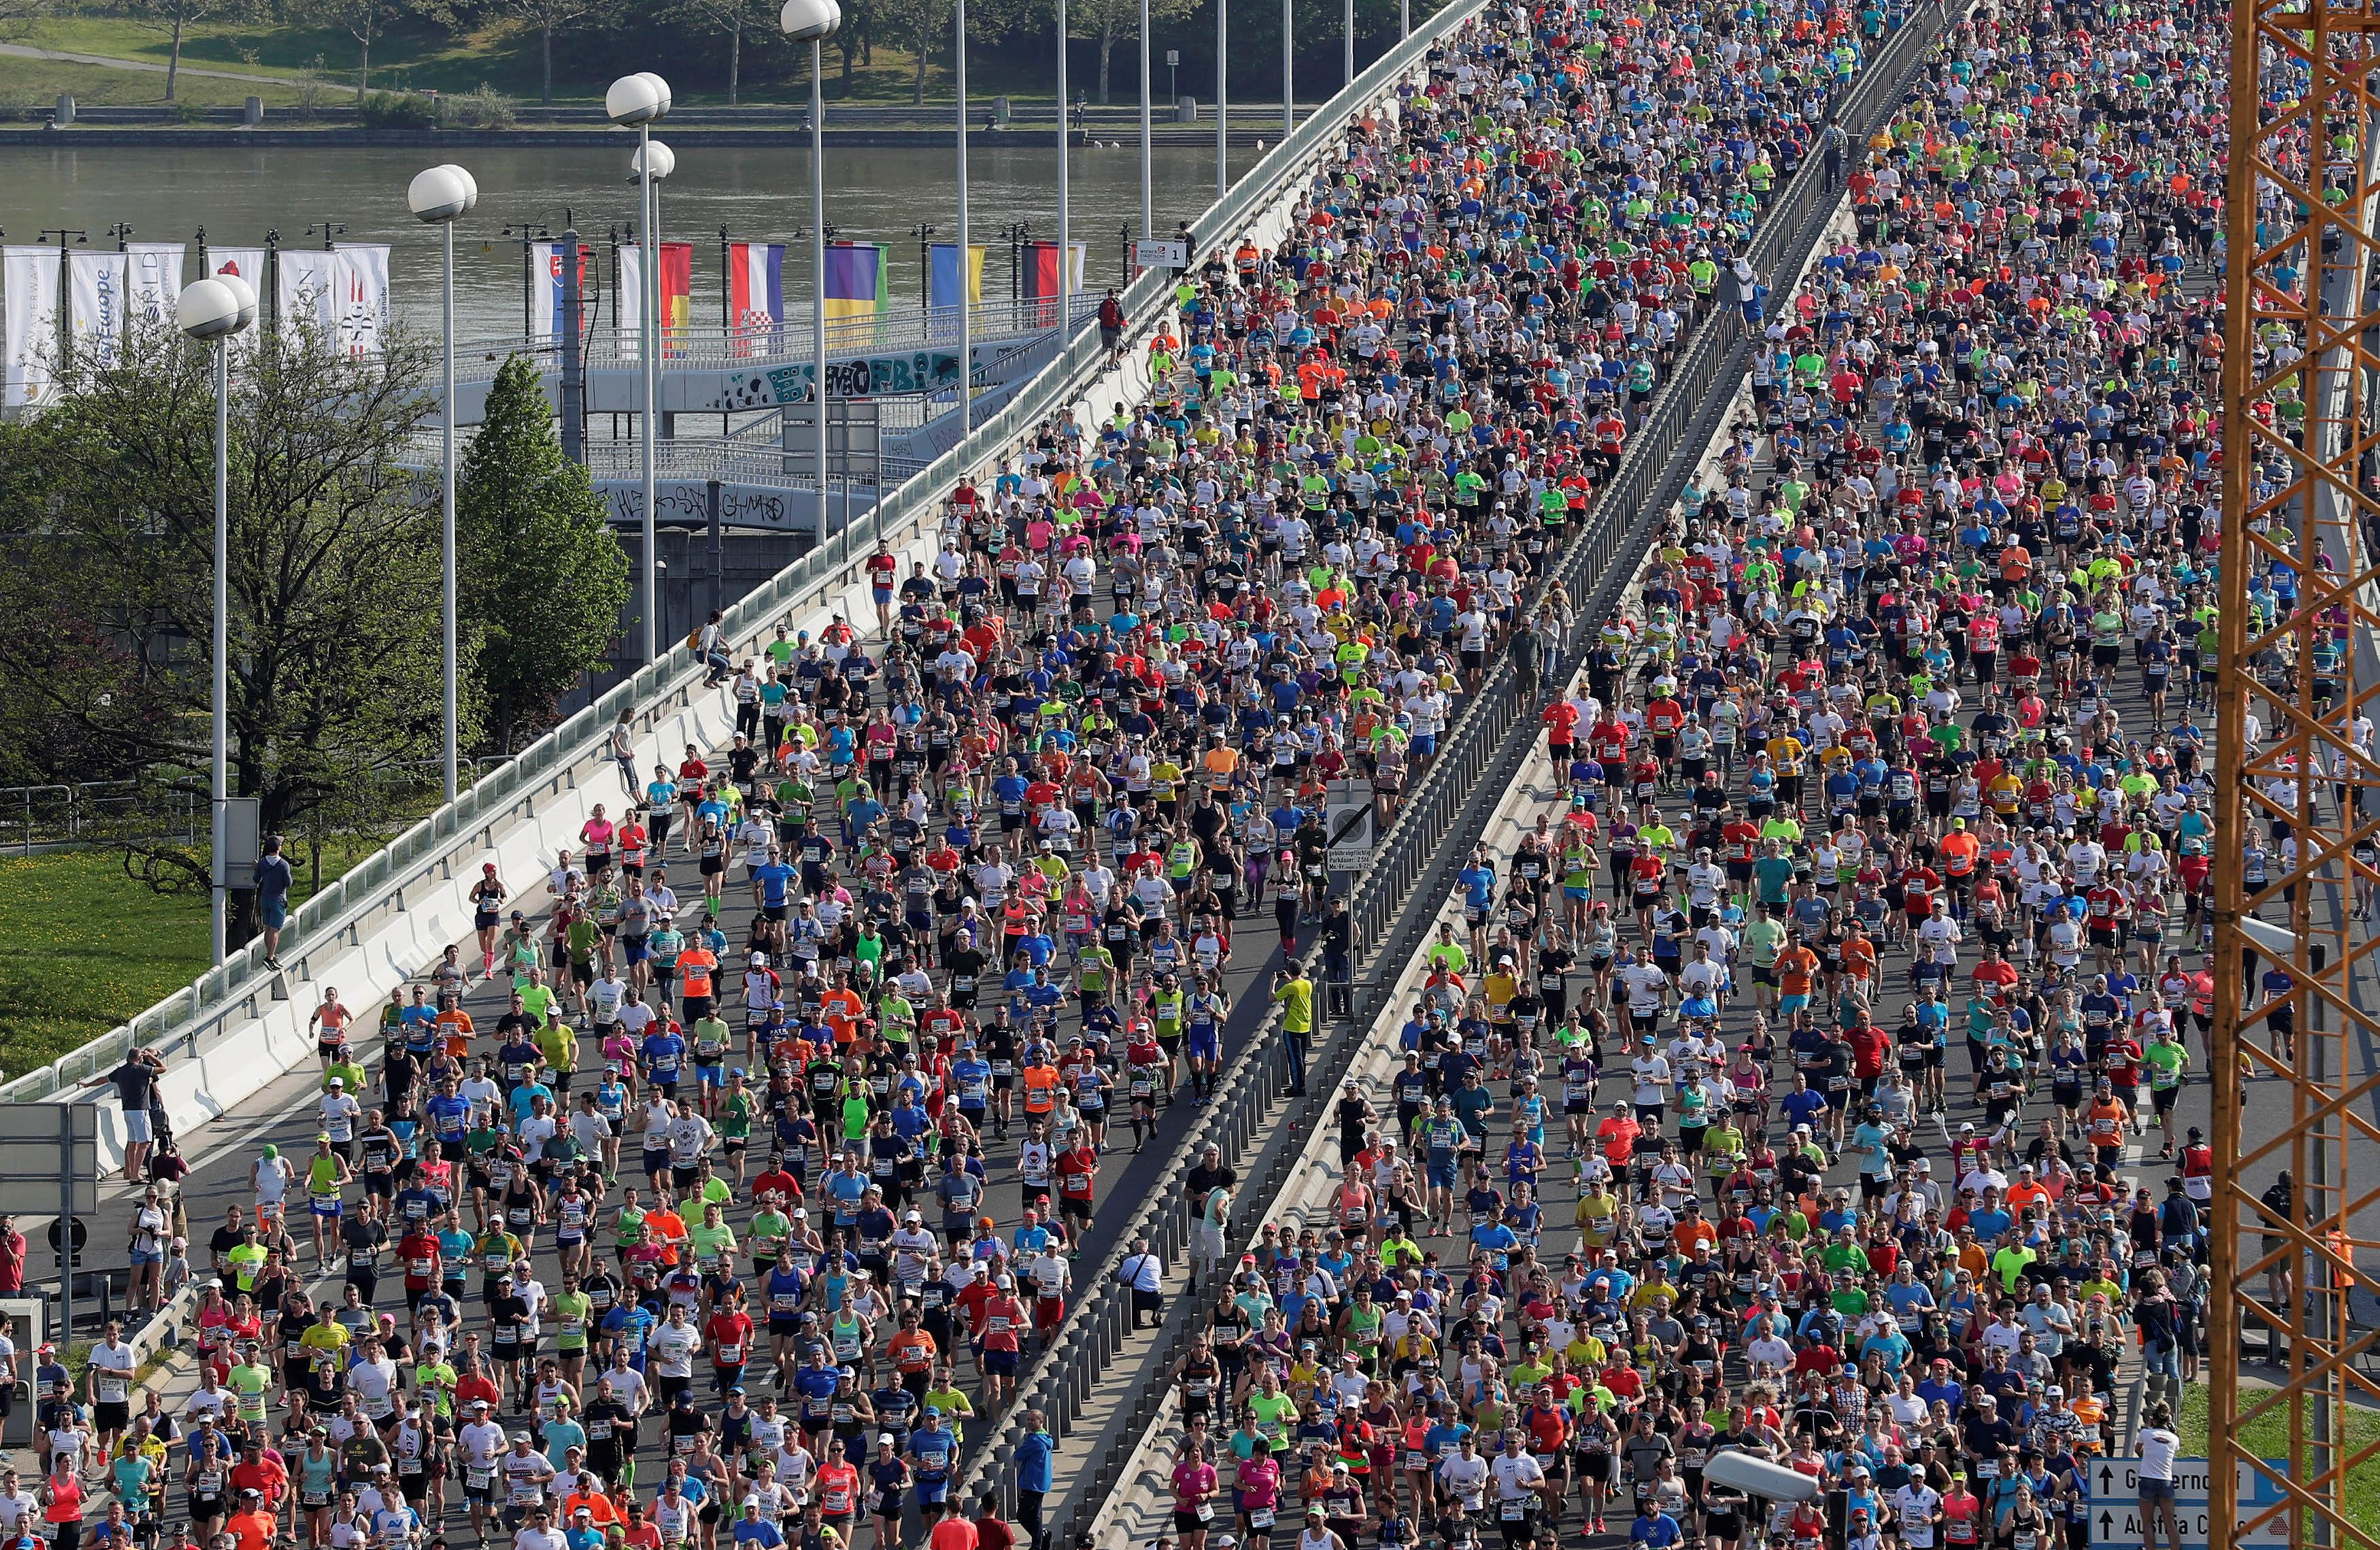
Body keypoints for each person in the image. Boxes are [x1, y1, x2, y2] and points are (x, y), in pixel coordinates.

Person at [254, 835, 296, 970]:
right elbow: (288, 883)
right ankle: (270, 957)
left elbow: (256, 879)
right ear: (279, 848)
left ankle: (270, 954)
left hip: (265, 898)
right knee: (275, 929)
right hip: (278, 899)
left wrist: (257, 867)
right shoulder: (283, 864)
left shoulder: (262, 863)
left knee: (267, 928)